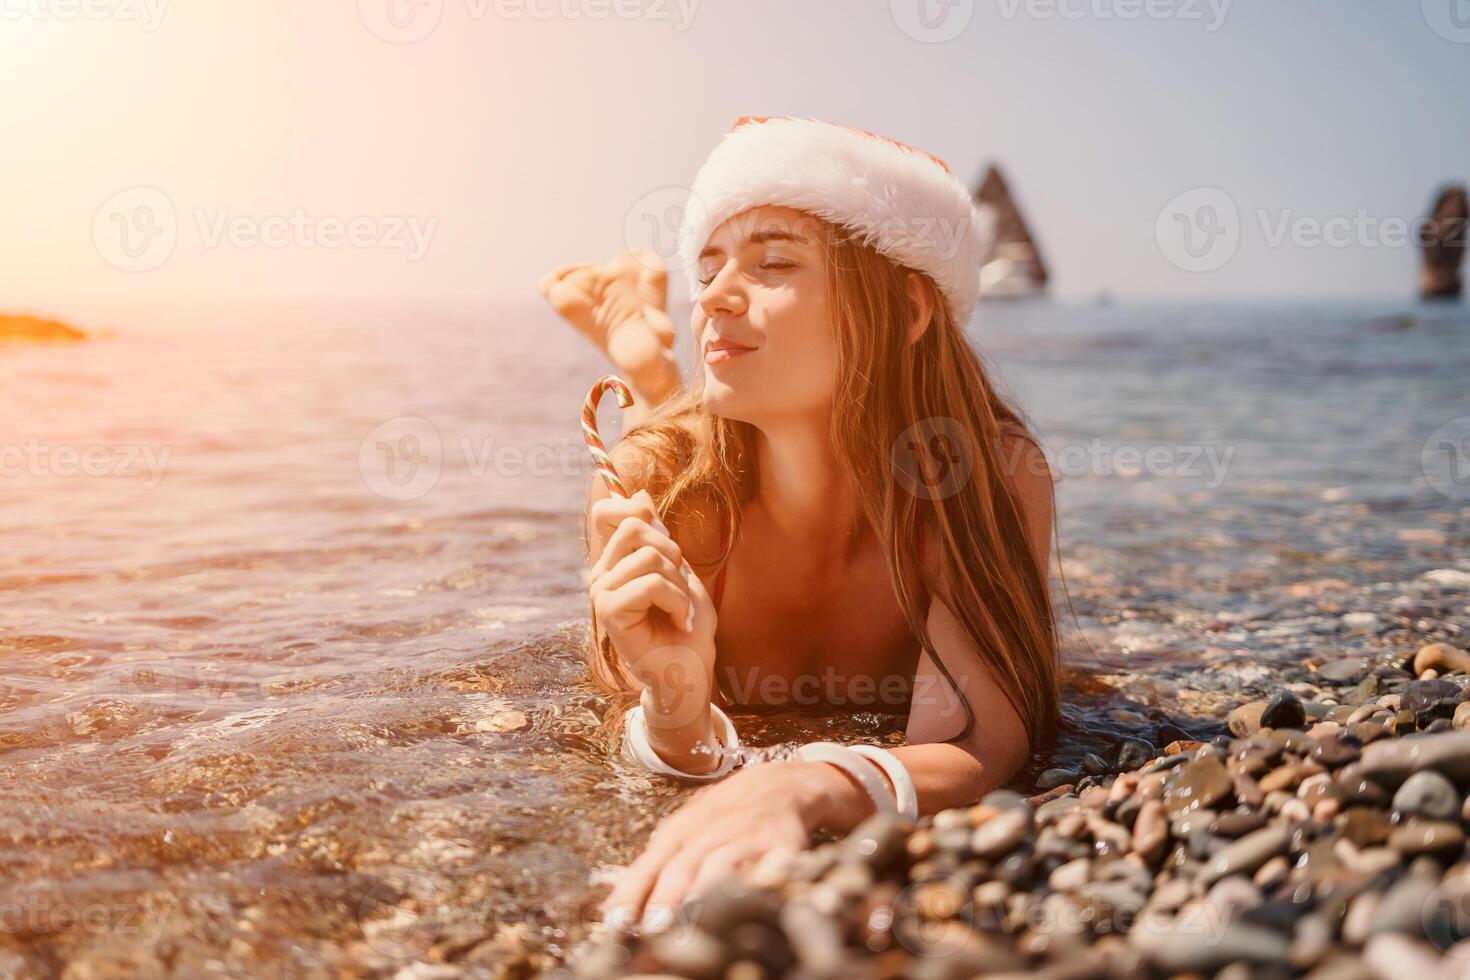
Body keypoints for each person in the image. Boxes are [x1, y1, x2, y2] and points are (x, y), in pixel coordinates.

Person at [538, 116, 1059, 931]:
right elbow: (652, 733)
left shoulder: (984, 477)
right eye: (704, 269)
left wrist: (797, 781)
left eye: (773, 263)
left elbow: (980, 741)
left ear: (910, 308)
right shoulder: (652, 485)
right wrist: (674, 703)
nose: (712, 294)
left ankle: (645, 354)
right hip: (692, 466)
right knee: (670, 444)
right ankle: (640, 357)